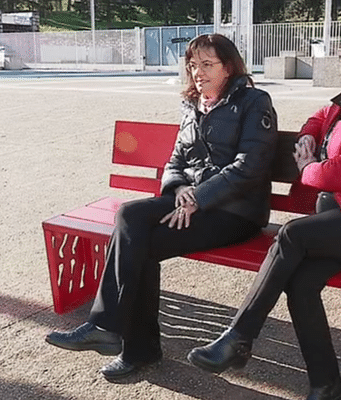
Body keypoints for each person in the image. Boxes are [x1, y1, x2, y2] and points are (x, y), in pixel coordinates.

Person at [187, 26, 341, 400]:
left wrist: (307, 166)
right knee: (301, 282)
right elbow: (318, 116)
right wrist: (311, 134)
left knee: (292, 233)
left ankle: (239, 337)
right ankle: (326, 386)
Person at [45, 33, 278, 380]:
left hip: (236, 212)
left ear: (228, 67)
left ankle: (128, 345)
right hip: (190, 201)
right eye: (193, 65)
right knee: (131, 219)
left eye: (208, 65)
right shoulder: (192, 104)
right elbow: (175, 162)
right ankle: (113, 334)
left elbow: (249, 167)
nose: (198, 73)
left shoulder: (253, 101)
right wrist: (181, 188)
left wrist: (199, 198)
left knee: (137, 243)